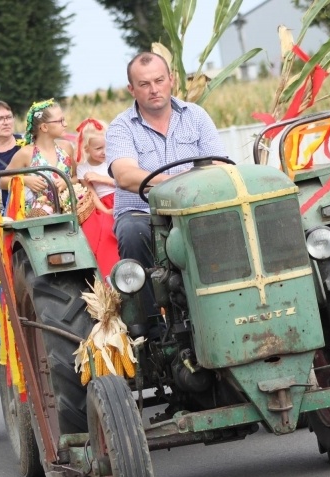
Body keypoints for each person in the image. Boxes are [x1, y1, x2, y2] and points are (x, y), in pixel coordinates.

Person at [106, 52, 227, 311]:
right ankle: (149, 326)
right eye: (144, 84)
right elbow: (125, 175)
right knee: (131, 232)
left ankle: (227, 303)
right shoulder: (121, 127)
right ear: (131, 89)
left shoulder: (195, 116)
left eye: (159, 80)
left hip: (196, 209)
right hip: (143, 213)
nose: (154, 89)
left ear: (171, 79)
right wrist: (178, 183)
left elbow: (220, 165)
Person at [3, 99, 74, 215]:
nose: (65, 124)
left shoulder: (66, 148)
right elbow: (3, 181)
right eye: (60, 121)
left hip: (69, 212)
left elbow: (76, 177)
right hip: (37, 217)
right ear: (44, 127)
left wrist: (67, 182)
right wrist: (25, 180)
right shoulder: (26, 153)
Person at [75, 118, 119, 279]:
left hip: (121, 197)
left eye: (107, 146)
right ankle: (109, 274)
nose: (104, 152)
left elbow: (124, 183)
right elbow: (91, 194)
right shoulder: (83, 169)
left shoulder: (114, 161)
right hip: (102, 205)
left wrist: (102, 179)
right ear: (86, 148)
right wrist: (105, 210)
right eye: (99, 148)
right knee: (103, 229)